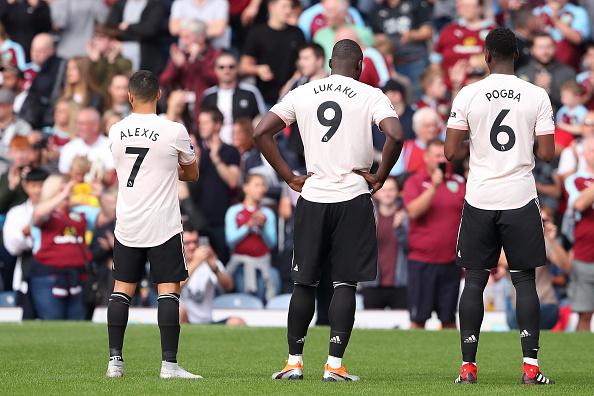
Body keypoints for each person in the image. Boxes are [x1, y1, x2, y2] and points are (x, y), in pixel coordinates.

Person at [254, 39, 403, 381]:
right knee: (344, 284)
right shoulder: (370, 94)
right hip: (352, 195)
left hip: (313, 195)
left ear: (330, 64)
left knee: (304, 283)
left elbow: (261, 132)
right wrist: (379, 177)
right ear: (360, 65)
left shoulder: (304, 92)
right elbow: (395, 134)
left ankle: (294, 362)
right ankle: (334, 365)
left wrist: (289, 176)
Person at [445, 27, 556, 385]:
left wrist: (471, 149)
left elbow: (449, 152)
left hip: (480, 196)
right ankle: (530, 368)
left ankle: (468, 368)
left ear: (486, 56)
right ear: (518, 56)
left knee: (474, 280)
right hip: (520, 196)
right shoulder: (536, 94)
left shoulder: (469, 93)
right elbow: (547, 152)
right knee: (524, 282)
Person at [105, 70, 200, 379]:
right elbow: (192, 173)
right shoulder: (174, 130)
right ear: (159, 95)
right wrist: (171, 170)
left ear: (129, 96)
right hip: (163, 222)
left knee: (122, 289)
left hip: (128, 221)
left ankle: (115, 362)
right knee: (168, 290)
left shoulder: (116, 131)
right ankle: (169, 365)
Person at [403, 139, 465, 329]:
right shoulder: (415, 181)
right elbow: (413, 211)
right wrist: (434, 186)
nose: (441, 160)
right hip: (422, 261)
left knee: (448, 319)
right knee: (418, 319)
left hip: (450, 262)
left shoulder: (458, 182)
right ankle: (412, 357)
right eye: (437, 155)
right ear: (426, 157)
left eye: (444, 156)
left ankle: (450, 357)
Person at [29, 174, 105, 320]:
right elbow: (38, 214)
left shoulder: (78, 212)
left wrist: (101, 196)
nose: (68, 192)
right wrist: (61, 195)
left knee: (78, 326)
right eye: (62, 188)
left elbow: (106, 216)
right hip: (49, 275)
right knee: (52, 322)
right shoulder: (46, 212)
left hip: (78, 275)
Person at [189, 107, 240, 264]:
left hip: (221, 221)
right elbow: (189, 182)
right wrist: (195, 158)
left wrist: (216, 158)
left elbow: (233, 180)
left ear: (217, 125)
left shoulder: (230, 151)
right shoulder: (197, 151)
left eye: (206, 122)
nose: (201, 126)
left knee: (221, 264)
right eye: (200, 123)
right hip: (198, 221)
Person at [240, 0, 305, 106]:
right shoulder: (257, 33)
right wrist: (257, 69)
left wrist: (291, 84)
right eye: (284, 6)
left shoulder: (297, 33)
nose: (288, 11)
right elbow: (243, 66)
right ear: (271, 7)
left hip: (291, 98)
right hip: (264, 99)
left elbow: (302, 64)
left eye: (290, 7)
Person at [225, 173, 278, 302]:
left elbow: (271, 243)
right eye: (257, 185)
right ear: (246, 188)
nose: (261, 189)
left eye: (263, 185)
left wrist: (263, 227)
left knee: (262, 300)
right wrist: (248, 226)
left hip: (262, 265)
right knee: (244, 302)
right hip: (240, 266)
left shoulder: (267, 213)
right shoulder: (234, 211)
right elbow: (230, 241)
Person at [360, 176, 408, 309]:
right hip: (372, 284)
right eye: (384, 189)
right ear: (377, 193)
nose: (387, 193)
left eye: (392, 189)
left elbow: (411, 248)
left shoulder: (406, 217)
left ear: (398, 192)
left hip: (400, 283)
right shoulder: (367, 217)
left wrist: (400, 229)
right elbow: (359, 249)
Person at [179, 224, 241, 325]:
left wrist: (215, 268)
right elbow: (174, 289)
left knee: (237, 322)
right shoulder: (174, 264)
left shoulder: (209, 262)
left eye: (195, 242)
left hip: (207, 322)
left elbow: (229, 286)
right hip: (185, 321)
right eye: (187, 243)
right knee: (178, 313)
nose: (193, 246)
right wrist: (195, 262)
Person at [369, 0, 433, 98]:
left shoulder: (415, 3)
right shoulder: (377, 10)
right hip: (393, 63)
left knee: (418, 97)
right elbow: (376, 38)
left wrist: (411, 35)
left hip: (415, 60)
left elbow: (427, 31)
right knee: (397, 98)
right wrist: (384, 41)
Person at [160, 19, 220, 121]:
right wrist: (177, 66)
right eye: (181, 37)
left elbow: (217, 79)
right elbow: (164, 81)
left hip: (206, 104)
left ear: (201, 38)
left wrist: (197, 61)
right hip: (183, 108)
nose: (183, 41)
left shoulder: (214, 54)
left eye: (187, 37)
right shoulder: (180, 54)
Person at [201, 51, 266, 144]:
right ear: (215, 69)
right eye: (221, 67)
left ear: (238, 68)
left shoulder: (250, 92)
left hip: (244, 146)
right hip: (214, 146)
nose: (226, 71)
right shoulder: (208, 96)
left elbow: (261, 120)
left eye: (231, 67)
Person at [564, 136, 594, 332]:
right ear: (584, 153)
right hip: (586, 254)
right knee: (584, 313)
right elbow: (580, 204)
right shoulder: (575, 179)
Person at [516, 32, 575, 111]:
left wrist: (549, 91)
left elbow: (574, 103)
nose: (545, 52)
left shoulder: (567, 73)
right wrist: (537, 88)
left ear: (555, 48)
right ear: (532, 49)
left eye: (549, 47)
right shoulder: (522, 73)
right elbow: (518, 103)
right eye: (540, 47)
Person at [19, 33, 66, 129]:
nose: (35, 54)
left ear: (52, 50)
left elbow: (40, 99)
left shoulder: (57, 68)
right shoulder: (29, 68)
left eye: (40, 51)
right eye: (33, 50)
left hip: (44, 122)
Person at [106, 0, 166, 74]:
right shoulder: (120, 4)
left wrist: (128, 27)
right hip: (120, 54)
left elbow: (150, 29)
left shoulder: (155, 5)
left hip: (146, 58)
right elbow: (110, 27)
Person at [533, 0, 590, 70]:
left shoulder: (578, 12)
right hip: (540, 67)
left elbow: (577, 39)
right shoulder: (537, 12)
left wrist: (555, 19)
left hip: (569, 67)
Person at [58, 108, 114, 178]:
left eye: (83, 124)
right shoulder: (69, 147)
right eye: (77, 123)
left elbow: (113, 175)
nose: (78, 127)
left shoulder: (111, 146)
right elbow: (64, 174)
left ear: (95, 126)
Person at [390, 107, 442, 176]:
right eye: (427, 126)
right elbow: (394, 174)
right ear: (417, 127)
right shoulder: (406, 148)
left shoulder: (443, 147)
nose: (432, 129)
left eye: (434, 125)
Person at [555, 80, 588, 151]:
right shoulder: (562, 110)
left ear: (577, 97)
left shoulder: (582, 112)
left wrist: (564, 126)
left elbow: (582, 130)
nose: (562, 99)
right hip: (560, 135)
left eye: (566, 96)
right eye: (562, 96)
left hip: (574, 138)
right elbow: (558, 125)